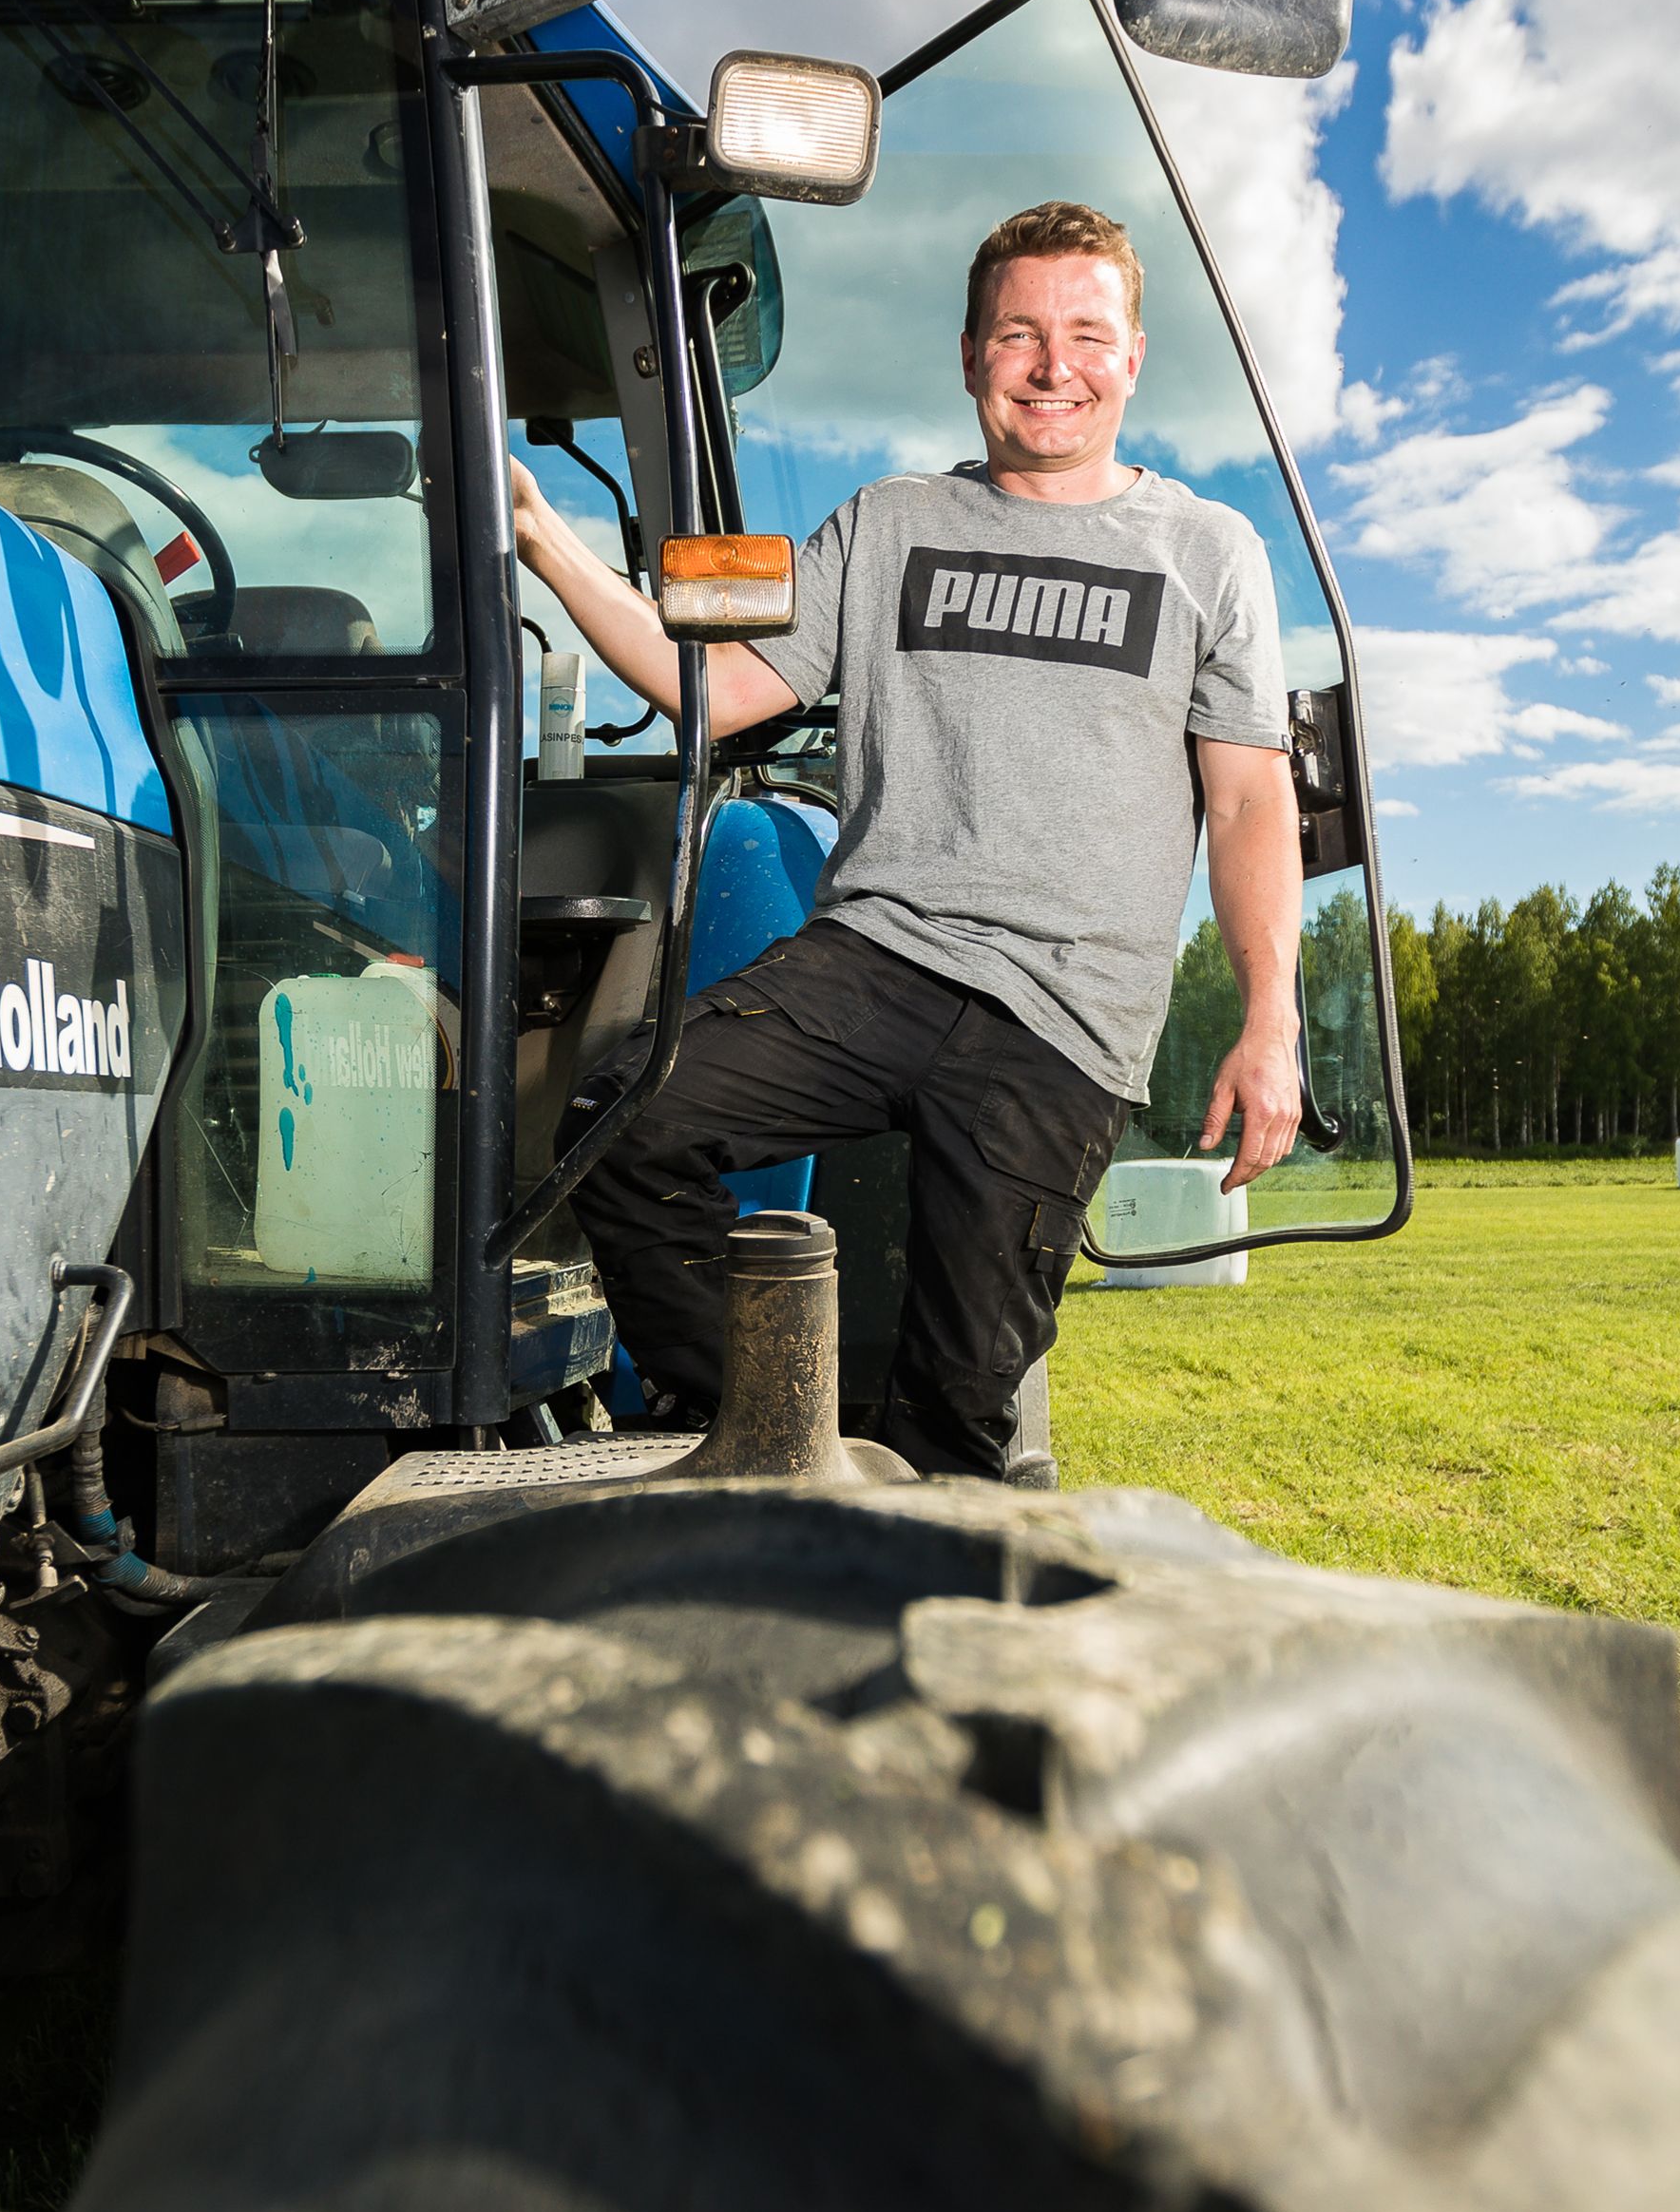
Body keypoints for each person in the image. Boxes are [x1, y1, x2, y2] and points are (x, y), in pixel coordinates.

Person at [508, 197, 1306, 1478]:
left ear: (1135, 355)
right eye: (1020, 334)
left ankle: (924, 1555)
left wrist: (1272, 1021)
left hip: (1064, 1015)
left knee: (961, 1411)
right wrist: (547, 545)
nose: (1055, 367)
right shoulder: (887, 526)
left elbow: (1250, 799)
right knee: (625, 1125)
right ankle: (773, 1442)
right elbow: (708, 688)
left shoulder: (1208, 553)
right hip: (875, 964)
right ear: (970, 353)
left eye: (1088, 335)